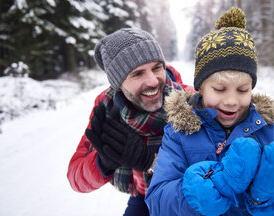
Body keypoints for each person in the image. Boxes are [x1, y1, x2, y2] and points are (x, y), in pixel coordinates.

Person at [145, 7, 274, 215]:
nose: (232, 101)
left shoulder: (272, 132)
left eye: (242, 90)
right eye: (219, 89)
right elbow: (157, 199)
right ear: (200, 87)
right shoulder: (178, 133)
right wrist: (202, 193)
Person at [67, 28, 193, 216]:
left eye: (157, 67)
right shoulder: (108, 108)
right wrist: (103, 162)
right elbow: (76, 177)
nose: (153, 81)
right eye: (137, 73)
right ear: (118, 83)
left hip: (184, 194)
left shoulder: (189, 101)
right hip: (142, 196)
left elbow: (213, 173)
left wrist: (152, 162)